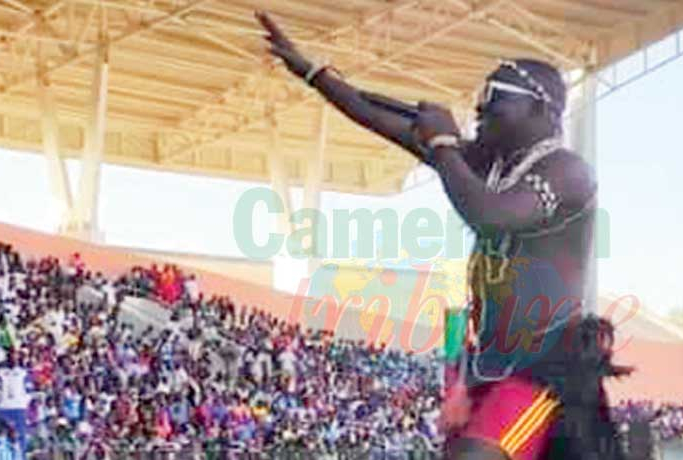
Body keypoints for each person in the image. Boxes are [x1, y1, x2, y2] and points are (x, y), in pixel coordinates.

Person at [257, 11, 630, 460]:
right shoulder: (486, 163)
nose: (479, 108)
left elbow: (489, 216)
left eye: (494, 98)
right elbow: (379, 116)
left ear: (540, 109)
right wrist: (313, 72)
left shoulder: (567, 170)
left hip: (542, 372)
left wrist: (444, 146)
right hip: (485, 365)